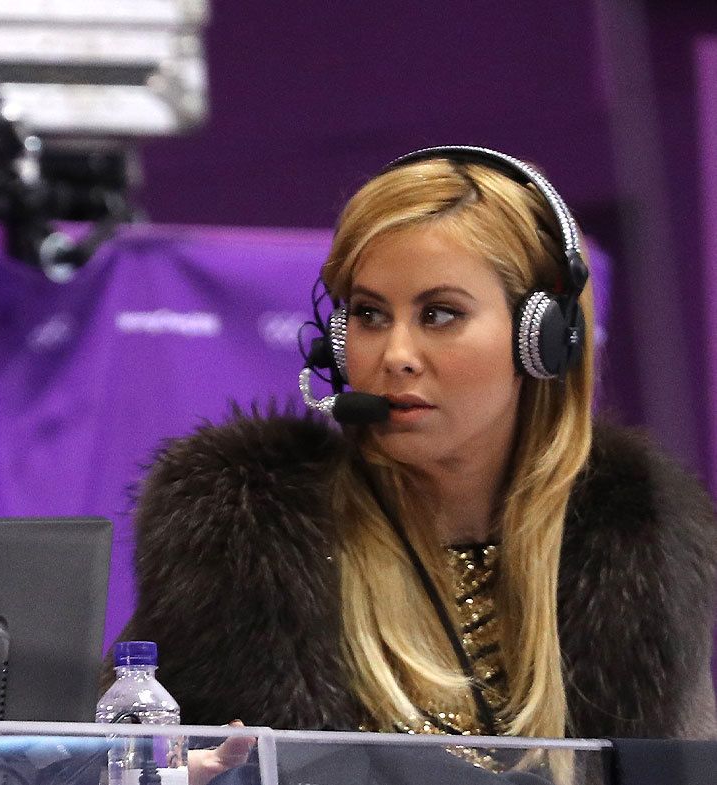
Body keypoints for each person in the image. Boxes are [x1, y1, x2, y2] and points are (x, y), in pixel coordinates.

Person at [117, 146, 717, 741]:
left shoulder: (644, 554)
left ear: (543, 337)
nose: (396, 356)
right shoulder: (244, 545)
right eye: (370, 315)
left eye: (439, 314)